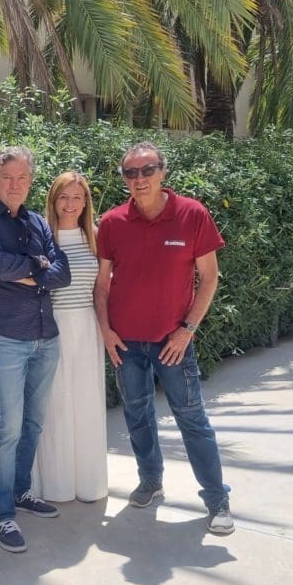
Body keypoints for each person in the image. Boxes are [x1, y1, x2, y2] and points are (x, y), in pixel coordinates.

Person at [94, 141, 234, 535]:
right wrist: (106, 331)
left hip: (174, 343)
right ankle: (151, 482)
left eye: (147, 170)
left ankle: (217, 499)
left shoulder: (192, 214)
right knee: (137, 416)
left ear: (163, 172)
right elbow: (101, 285)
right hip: (125, 345)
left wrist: (187, 330)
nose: (139, 179)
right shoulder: (113, 222)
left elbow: (210, 278)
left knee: (192, 419)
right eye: (130, 173)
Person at [0, 146, 72, 553]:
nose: (15, 184)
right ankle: (2, 512)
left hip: (47, 336)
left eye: (22, 177)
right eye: (8, 177)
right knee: (9, 428)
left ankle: (22, 491)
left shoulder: (38, 222)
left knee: (34, 422)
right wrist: (38, 266)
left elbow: (63, 273)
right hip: (8, 337)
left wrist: (25, 272)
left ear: (30, 182)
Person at [31, 172, 109, 503]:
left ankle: (88, 482)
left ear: (86, 202)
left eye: (77, 197)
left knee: (87, 403)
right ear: (53, 200)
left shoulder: (96, 236)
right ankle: (56, 484)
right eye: (64, 196)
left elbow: (103, 289)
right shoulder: (41, 237)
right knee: (55, 405)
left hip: (88, 328)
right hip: (52, 328)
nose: (70, 204)